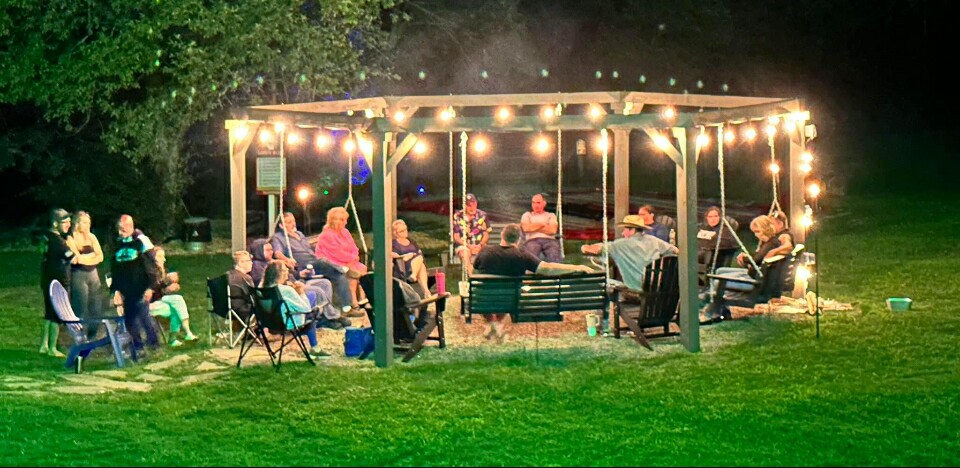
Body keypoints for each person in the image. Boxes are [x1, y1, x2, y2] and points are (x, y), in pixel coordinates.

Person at [473, 223, 594, 342]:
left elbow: (475, 268)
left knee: (491, 289)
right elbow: (548, 268)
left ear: (502, 235)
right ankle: (496, 324)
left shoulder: (486, 251)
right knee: (509, 291)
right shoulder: (522, 255)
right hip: (510, 299)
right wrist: (576, 267)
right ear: (519, 239)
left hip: (483, 299)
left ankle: (492, 323)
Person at [270, 212, 359, 317]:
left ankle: (346, 307)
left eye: (293, 221)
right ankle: (344, 269)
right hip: (303, 265)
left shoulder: (300, 234)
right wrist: (287, 259)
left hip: (314, 261)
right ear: (281, 225)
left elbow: (310, 249)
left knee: (339, 276)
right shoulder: (279, 237)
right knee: (324, 262)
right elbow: (277, 253)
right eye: (288, 222)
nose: (293, 224)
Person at [704, 215, 783, 319]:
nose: (756, 235)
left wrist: (745, 259)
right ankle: (714, 303)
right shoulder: (771, 242)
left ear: (765, 229)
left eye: (757, 231)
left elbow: (756, 260)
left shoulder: (771, 244)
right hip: (758, 276)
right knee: (720, 271)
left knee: (718, 282)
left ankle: (712, 310)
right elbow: (758, 259)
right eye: (754, 232)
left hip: (756, 283)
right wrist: (746, 257)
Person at [580, 214, 679, 291]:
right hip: (656, 291)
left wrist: (584, 247)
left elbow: (595, 249)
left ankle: (603, 314)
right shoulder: (654, 241)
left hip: (635, 293)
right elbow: (675, 251)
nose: (623, 233)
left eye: (625, 229)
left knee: (608, 283)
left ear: (632, 229)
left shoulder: (619, 245)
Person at [110, 214, 160, 354]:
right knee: (130, 320)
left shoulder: (140, 242)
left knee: (143, 316)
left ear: (130, 226)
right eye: (118, 229)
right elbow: (115, 269)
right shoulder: (118, 245)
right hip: (127, 289)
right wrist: (115, 290)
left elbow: (151, 266)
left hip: (141, 287)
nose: (120, 232)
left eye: (123, 228)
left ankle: (153, 342)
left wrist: (150, 287)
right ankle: (137, 346)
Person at [261, 260, 330, 359]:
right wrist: (300, 291)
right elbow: (305, 309)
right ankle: (315, 348)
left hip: (269, 323)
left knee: (311, 296)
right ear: (281, 274)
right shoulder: (286, 290)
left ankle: (315, 348)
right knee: (311, 315)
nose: (288, 273)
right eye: (286, 270)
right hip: (288, 323)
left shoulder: (262, 289)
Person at [314, 207, 368, 313]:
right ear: (335, 220)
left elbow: (354, 248)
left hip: (348, 261)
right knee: (353, 272)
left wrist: (353, 258)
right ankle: (354, 302)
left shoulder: (345, 232)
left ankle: (363, 298)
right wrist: (350, 259)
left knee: (362, 268)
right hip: (333, 261)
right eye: (343, 220)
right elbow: (336, 253)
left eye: (345, 219)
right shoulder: (327, 234)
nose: (345, 222)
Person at [39, 208, 76, 357]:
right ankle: (53, 347)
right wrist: (71, 243)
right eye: (65, 222)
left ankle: (43, 345)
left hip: (47, 279)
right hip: (58, 282)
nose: (68, 225)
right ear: (55, 223)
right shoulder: (58, 241)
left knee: (48, 313)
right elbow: (72, 257)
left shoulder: (46, 237)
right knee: (56, 314)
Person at [147, 246, 198, 347]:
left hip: (157, 302)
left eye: (164, 256)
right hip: (145, 306)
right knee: (177, 305)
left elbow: (158, 291)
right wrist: (165, 285)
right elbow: (150, 293)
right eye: (160, 256)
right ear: (152, 258)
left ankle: (183, 335)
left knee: (176, 304)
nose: (164, 259)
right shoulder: (148, 273)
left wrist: (167, 288)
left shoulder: (158, 271)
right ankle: (181, 335)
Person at [66, 211, 104, 337]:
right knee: (80, 306)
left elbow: (100, 256)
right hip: (79, 275)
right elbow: (76, 259)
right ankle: (78, 335)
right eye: (84, 222)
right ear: (77, 223)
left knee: (96, 306)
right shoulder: (71, 238)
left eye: (89, 222)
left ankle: (92, 334)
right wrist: (91, 256)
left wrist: (84, 257)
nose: (87, 225)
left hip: (93, 274)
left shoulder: (92, 237)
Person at [453, 193, 491, 276]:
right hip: (464, 245)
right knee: (464, 253)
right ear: (464, 206)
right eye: (469, 205)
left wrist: (480, 245)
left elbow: (486, 234)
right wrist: (469, 246)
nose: (472, 207)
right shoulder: (458, 216)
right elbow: (456, 237)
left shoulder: (483, 215)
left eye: (473, 204)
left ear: (476, 204)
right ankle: (472, 276)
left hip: (480, 245)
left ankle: (487, 277)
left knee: (489, 253)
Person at [392, 219, 432, 298]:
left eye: (405, 229)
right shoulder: (394, 244)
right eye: (401, 231)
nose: (405, 232)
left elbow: (419, 252)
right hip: (403, 267)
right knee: (420, 262)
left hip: (416, 265)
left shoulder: (411, 241)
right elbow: (393, 255)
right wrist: (405, 256)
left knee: (420, 262)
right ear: (396, 233)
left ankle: (424, 289)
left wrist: (412, 255)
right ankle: (426, 291)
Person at [520, 193, 562, 262]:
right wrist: (543, 224)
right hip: (532, 240)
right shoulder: (527, 215)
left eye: (538, 203)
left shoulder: (551, 215)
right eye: (533, 203)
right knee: (532, 251)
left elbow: (552, 230)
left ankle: (555, 271)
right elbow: (526, 228)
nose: (535, 205)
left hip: (549, 240)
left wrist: (534, 226)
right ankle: (531, 271)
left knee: (553, 252)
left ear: (544, 203)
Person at [227, 250, 256, 322]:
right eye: (249, 261)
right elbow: (253, 297)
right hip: (243, 310)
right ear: (240, 263)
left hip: (225, 310)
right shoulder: (245, 278)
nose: (251, 263)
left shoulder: (227, 275)